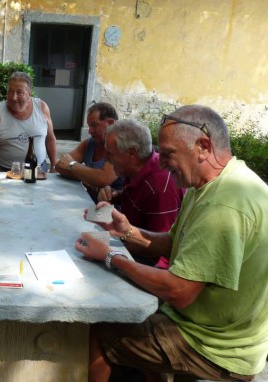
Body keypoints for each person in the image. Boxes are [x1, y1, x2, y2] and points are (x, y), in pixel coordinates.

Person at [77, 105, 268, 382]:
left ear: (203, 146)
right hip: (211, 329)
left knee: (98, 331)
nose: (161, 163)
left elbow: (179, 291)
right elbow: (172, 242)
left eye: (167, 154)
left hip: (214, 346)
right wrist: (127, 231)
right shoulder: (213, 182)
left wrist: (110, 257)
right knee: (136, 323)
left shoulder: (223, 204)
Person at [97, 119, 185, 268]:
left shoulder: (159, 188)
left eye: (111, 154)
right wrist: (117, 195)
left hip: (151, 265)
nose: (106, 159)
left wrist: (107, 251)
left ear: (132, 152)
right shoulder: (136, 170)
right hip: (131, 244)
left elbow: (158, 248)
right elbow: (140, 198)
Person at [0, 71, 57, 173]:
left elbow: (50, 139)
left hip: (39, 170)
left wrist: (54, 165)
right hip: (7, 171)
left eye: (19, 92)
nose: (13, 97)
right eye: (10, 91)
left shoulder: (42, 107)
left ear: (29, 94)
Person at [56, 102, 123, 203]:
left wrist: (73, 165)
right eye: (89, 126)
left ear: (111, 123)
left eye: (94, 125)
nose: (90, 131)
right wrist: (86, 179)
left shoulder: (120, 145)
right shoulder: (89, 144)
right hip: (90, 203)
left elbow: (104, 179)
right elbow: (60, 165)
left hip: (114, 209)